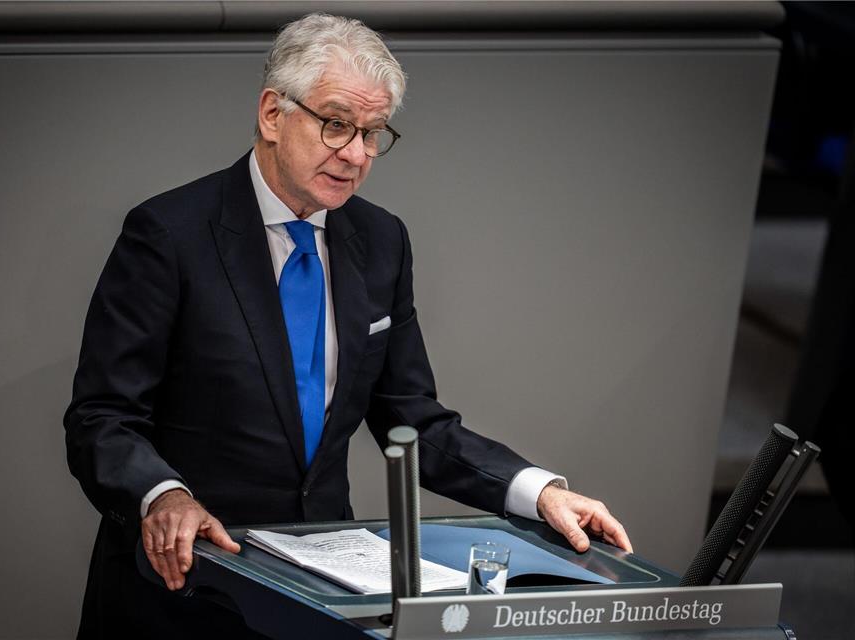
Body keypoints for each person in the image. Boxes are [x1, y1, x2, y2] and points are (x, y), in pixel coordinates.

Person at [64, 13, 632, 638]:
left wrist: (538, 491)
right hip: (183, 587)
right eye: (336, 125)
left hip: (318, 592)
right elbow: (102, 417)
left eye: (372, 133)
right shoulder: (170, 234)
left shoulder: (381, 240)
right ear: (273, 114)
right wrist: (164, 495)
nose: (357, 155)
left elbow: (411, 419)